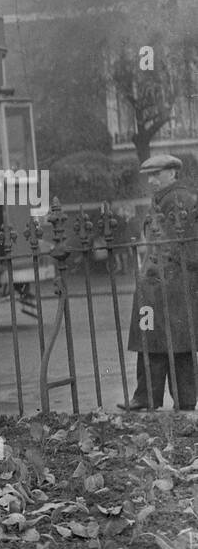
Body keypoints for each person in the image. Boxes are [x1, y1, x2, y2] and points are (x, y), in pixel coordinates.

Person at [120, 154, 197, 411]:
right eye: (149, 176)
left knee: (176, 345)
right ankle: (148, 397)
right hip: (155, 286)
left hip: (171, 285)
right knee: (153, 341)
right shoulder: (163, 199)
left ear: (173, 174)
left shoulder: (179, 200)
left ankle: (178, 401)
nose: (152, 180)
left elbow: (181, 246)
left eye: (157, 174)